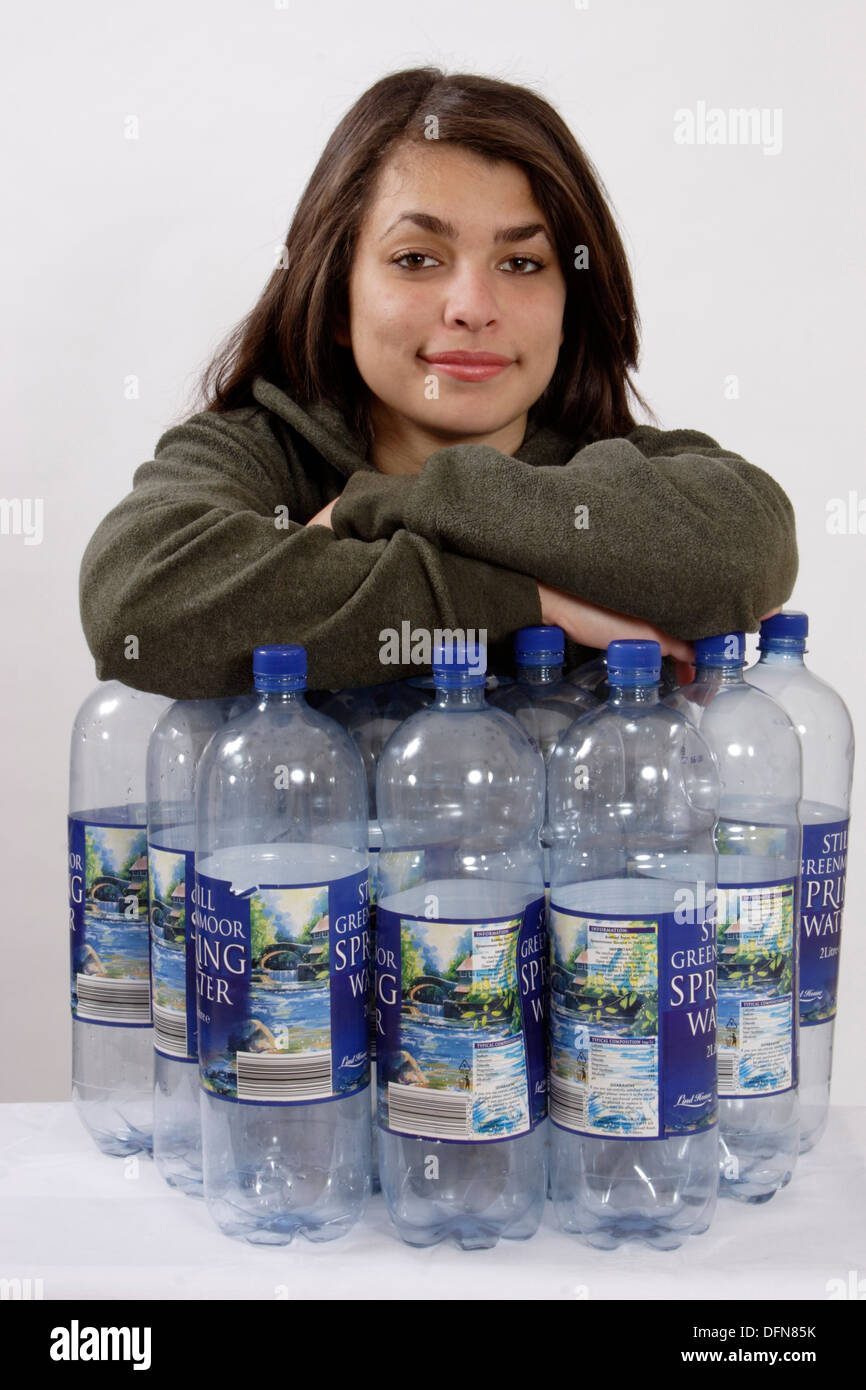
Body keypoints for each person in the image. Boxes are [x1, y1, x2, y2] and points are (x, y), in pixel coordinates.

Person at [78, 67, 796, 699]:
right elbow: (137, 607)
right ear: (335, 299)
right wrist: (527, 599)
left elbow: (745, 551)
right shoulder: (253, 457)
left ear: (570, 306)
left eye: (521, 264)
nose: (473, 309)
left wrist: (386, 505)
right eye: (417, 258)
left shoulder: (623, 473)